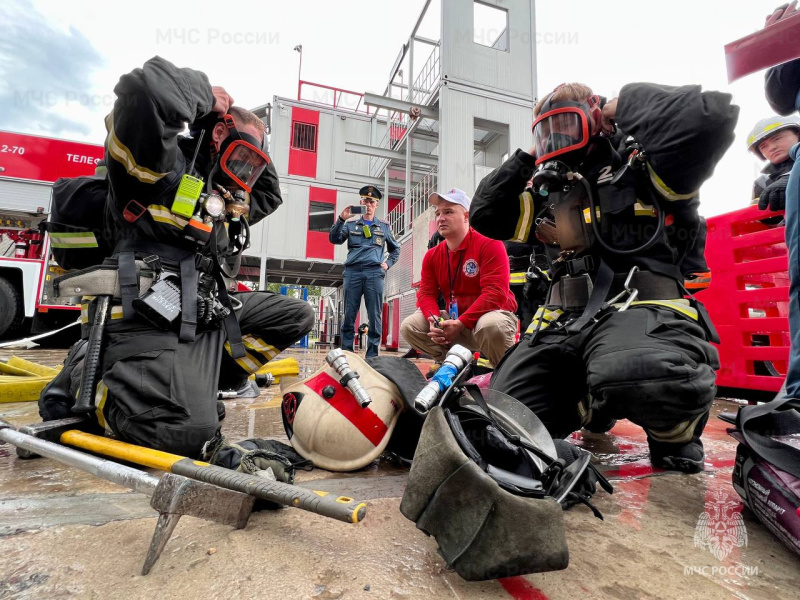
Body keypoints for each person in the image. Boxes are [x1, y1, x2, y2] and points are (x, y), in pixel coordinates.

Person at [39, 56, 314, 457]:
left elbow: (269, 194)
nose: (247, 171)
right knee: (188, 434)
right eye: (244, 155)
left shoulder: (226, 195)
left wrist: (257, 142)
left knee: (294, 315)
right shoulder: (158, 164)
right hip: (144, 317)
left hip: (199, 315)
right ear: (218, 132)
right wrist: (205, 101)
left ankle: (201, 380)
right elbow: (144, 89)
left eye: (253, 164)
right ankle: (90, 380)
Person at [470, 81, 739, 473]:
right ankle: (591, 403)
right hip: (563, 322)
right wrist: (528, 158)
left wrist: (620, 106)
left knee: (634, 370)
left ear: (594, 117)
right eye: (547, 130)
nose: (557, 137)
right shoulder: (549, 192)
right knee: (504, 421)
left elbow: (710, 114)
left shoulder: (645, 164)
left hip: (639, 306)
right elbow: (485, 214)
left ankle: (675, 430)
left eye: (567, 122)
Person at [400, 188, 518, 367]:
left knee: (491, 325)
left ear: (466, 216)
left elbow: (495, 294)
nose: (441, 218)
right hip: (456, 321)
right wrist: (434, 320)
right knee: (410, 326)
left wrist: (461, 323)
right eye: (438, 213)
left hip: (487, 319)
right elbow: (426, 294)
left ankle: (505, 373)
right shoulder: (432, 255)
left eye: (448, 212)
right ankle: (453, 365)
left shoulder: (490, 244)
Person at [329, 185, 400, 358]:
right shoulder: (350, 224)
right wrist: (341, 219)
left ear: (376, 205)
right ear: (360, 202)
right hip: (352, 272)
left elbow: (395, 249)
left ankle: (372, 356)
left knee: (374, 315)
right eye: (365, 201)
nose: (368, 204)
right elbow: (334, 239)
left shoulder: (384, 227)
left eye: (371, 202)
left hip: (374, 273)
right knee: (349, 314)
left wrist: (388, 263)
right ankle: (347, 353)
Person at [747, 115, 800, 208]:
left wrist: (792, 180)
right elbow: (758, 214)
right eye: (763, 146)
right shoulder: (763, 182)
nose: (772, 147)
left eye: (777, 139)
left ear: (798, 135)